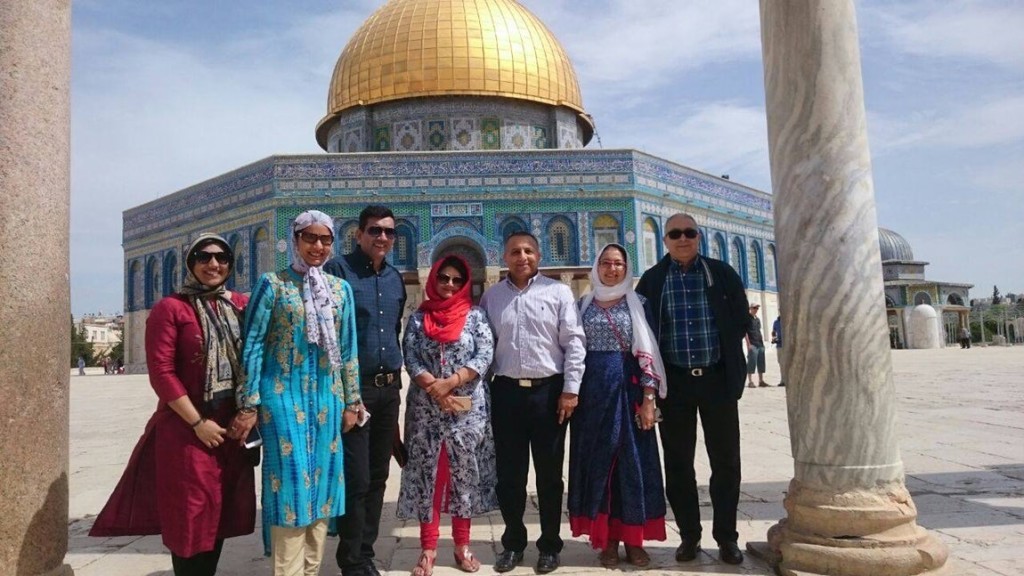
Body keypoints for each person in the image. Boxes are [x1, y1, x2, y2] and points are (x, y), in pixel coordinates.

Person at [90, 233, 256, 575]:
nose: (213, 264)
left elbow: (256, 360)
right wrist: (197, 422)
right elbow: (162, 373)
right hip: (187, 431)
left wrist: (248, 411)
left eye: (222, 257)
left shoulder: (239, 304)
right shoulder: (171, 308)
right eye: (204, 257)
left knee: (219, 515)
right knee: (190, 517)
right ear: (190, 263)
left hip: (231, 428)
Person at [239, 210, 362, 575]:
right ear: (295, 240)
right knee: (290, 490)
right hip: (281, 400)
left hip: (327, 400)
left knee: (323, 491)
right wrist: (249, 403)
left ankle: (311, 571)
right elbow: (254, 345)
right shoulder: (273, 284)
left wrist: (352, 401)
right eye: (310, 238)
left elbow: (348, 348)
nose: (318, 246)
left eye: (325, 239)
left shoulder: (340, 290)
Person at [635, 213, 750, 565]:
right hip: (677, 384)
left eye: (689, 233)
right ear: (664, 239)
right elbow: (643, 335)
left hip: (716, 380)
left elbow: (742, 317)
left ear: (698, 237)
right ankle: (689, 536)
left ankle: (726, 538)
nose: (682, 239)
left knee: (726, 462)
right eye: (675, 234)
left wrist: (730, 360)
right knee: (679, 463)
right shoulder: (653, 281)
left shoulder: (720, 273)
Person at [479, 231, 586, 574]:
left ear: (538, 256)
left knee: (550, 474)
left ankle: (550, 545)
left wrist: (570, 390)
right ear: (504, 257)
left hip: (549, 393)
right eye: (514, 252)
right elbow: (483, 348)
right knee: (510, 475)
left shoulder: (557, 292)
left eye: (527, 251)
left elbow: (574, 343)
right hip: (507, 393)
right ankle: (513, 543)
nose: (521, 257)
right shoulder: (492, 298)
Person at [568, 244, 667, 568]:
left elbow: (649, 351)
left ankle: (634, 540)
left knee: (633, 466)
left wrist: (649, 398)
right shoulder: (582, 305)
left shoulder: (639, 304)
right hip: (592, 400)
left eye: (619, 264)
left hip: (630, 395)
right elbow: (572, 350)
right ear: (597, 267)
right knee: (600, 468)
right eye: (607, 263)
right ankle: (607, 540)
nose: (612, 269)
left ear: (627, 268)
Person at [398, 255, 497, 576]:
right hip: (427, 413)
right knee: (431, 477)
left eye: (457, 279)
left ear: (465, 282)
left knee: (462, 477)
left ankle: (462, 546)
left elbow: (485, 353)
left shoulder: (476, 317)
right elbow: (410, 356)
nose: (450, 284)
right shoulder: (418, 319)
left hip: (466, 413)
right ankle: (428, 549)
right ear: (434, 280)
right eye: (444, 278)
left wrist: (452, 382)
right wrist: (433, 386)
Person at [324, 205, 407, 576]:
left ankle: (365, 553)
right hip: (353, 394)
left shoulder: (394, 278)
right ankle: (352, 559)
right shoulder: (337, 272)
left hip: (388, 390)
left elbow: (395, 330)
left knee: (377, 476)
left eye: (389, 231)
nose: (383, 238)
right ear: (358, 234)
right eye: (375, 231)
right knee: (356, 478)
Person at [746, 304, 768, 387]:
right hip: (752, 344)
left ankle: (761, 380)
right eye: (754, 308)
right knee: (751, 362)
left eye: (757, 308)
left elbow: (759, 331)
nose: (756, 310)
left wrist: (763, 343)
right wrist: (748, 344)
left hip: (760, 343)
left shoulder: (757, 319)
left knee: (761, 362)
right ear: (750, 309)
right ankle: (750, 381)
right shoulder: (747, 319)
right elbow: (746, 333)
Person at [771, 315, 785, 386]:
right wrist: (774, 338)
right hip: (779, 345)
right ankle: (783, 380)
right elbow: (773, 332)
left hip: (787, 345)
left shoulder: (786, 321)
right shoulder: (776, 322)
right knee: (781, 363)